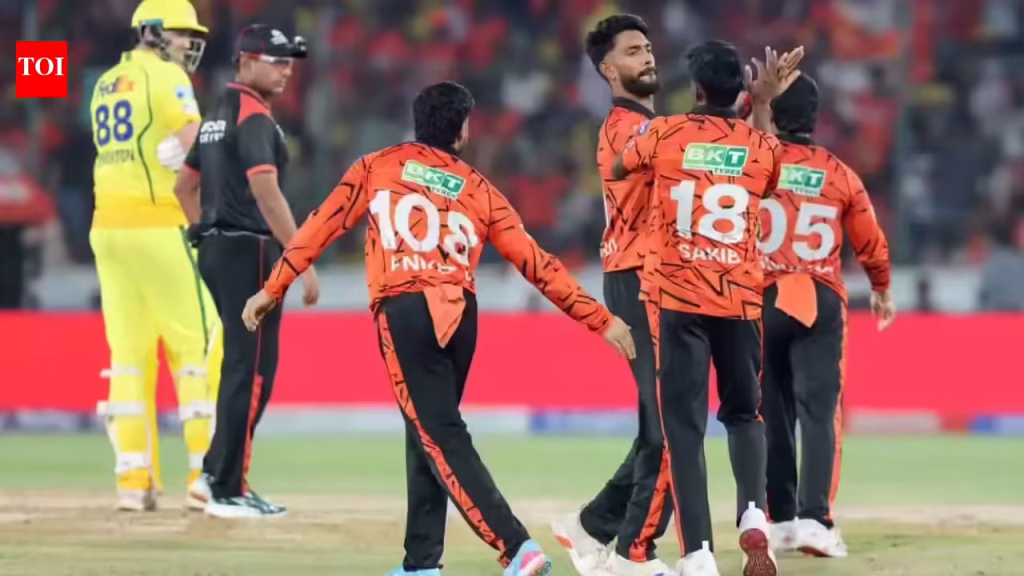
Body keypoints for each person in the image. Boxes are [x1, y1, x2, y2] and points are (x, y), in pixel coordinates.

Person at [240, 81, 635, 576]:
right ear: (462, 131)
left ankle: (517, 548)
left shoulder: (376, 166)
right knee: (426, 430)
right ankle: (421, 562)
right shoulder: (480, 189)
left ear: (417, 123)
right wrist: (601, 319)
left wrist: (273, 287)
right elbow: (539, 265)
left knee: (439, 433)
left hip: (406, 307)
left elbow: (321, 225)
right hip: (461, 315)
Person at [611, 42, 801, 576]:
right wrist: (763, 105)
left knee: (684, 429)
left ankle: (698, 554)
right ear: (740, 90)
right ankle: (753, 513)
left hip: (678, 298)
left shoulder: (664, 132)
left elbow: (621, 168)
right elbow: (770, 180)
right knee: (745, 413)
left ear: (696, 89)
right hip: (740, 299)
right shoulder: (759, 145)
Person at [172, 23, 320, 519]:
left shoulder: (217, 114)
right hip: (249, 251)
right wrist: (301, 257)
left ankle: (214, 477)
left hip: (218, 250)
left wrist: (205, 232)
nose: (286, 71)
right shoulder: (254, 116)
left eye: (289, 63)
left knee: (241, 366)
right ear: (246, 61)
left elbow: (184, 188)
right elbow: (266, 192)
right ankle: (226, 488)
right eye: (276, 61)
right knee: (252, 370)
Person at [550, 14, 673, 576]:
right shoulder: (624, 128)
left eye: (647, 48)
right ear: (607, 69)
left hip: (655, 278)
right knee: (669, 426)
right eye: (632, 51)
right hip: (638, 278)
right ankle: (633, 553)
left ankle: (592, 527)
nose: (646, 57)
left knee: (662, 423)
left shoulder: (650, 125)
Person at [89, 0, 222, 512]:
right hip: (158, 223)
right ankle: (204, 477)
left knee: (129, 356)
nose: (189, 43)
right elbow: (199, 151)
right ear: (151, 32)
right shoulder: (168, 78)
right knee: (198, 346)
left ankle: (133, 479)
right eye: (181, 33)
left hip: (107, 228)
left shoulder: (106, 82)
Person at [758, 74, 893, 558]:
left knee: (770, 413)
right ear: (816, 117)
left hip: (759, 297)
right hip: (817, 297)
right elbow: (869, 239)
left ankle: (779, 522)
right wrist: (881, 287)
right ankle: (815, 521)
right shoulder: (838, 172)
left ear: (772, 114)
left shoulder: (756, 162)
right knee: (819, 413)